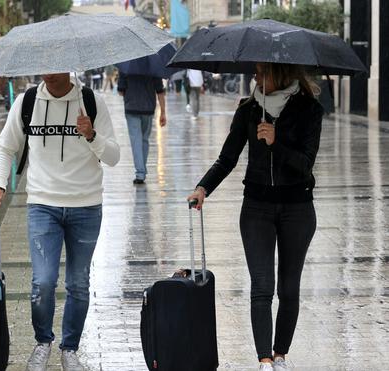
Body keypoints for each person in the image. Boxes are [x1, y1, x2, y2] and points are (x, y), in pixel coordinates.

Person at [186, 63, 323, 371]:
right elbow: (227, 158)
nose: (256, 78)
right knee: (262, 286)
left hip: (297, 208)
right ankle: (263, 360)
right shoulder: (248, 109)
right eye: (256, 72)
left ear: (282, 73)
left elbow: (305, 164)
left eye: (263, 73)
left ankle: (280, 356)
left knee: (289, 288)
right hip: (256, 208)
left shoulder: (309, 110)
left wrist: (277, 143)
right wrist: (203, 187)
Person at [0, 73, 120, 371]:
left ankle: (69, 349)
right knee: (43, 282)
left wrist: (92, 135)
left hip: (86, 206)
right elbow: (5, 147)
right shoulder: (28, 102)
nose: (49, 71)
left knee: (78, 283)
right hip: (42, 205)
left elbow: (113, 157)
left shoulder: (91, 102)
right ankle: (43, 341)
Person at [117, 71, 166, 184]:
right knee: (144, 139)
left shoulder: (126, 66)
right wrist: (163, 112)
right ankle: (141, 170)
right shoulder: (153, 66)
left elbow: (120, 90)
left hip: (131, 107)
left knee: (136, 140)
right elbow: (160, 90)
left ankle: (140, 173)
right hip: (148, 108)